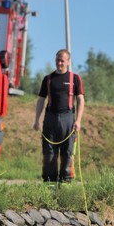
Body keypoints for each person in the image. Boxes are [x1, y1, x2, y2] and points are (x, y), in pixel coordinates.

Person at [33, 49, 85, 185]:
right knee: (49, 152)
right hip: (50, 118)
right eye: (57, 60)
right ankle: (49, 183)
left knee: (67, 153)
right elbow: (40, 100)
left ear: (68, 62)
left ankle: (66, 182)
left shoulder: (75, 78)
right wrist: (37, 120)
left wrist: (78, 121)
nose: (59, 63)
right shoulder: (48, 79)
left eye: (62, 60)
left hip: (68, 119)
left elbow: (80, 99)